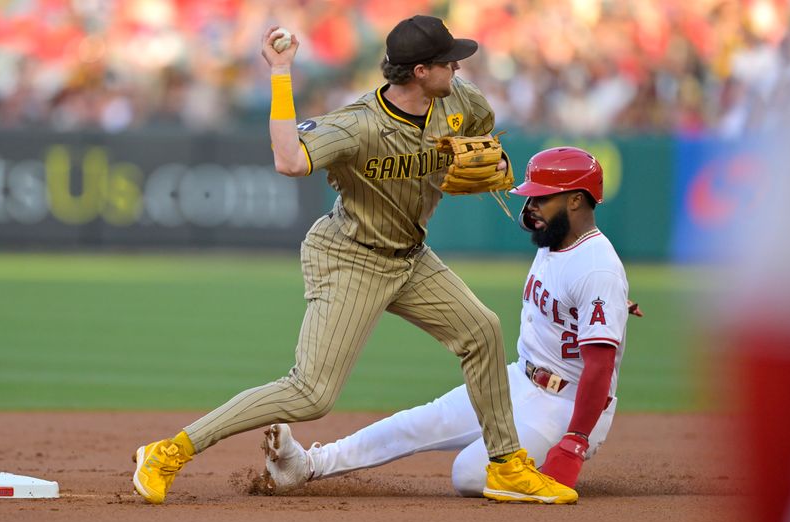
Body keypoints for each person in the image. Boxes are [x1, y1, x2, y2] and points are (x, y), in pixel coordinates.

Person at [132, 15, 576, 505]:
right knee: (311, 394)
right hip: (350, 256)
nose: (458, 65)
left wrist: (497, 164)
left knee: (482, 330)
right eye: (448, 60)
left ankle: (507, 463)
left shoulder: (459, 98)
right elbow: (288, 160)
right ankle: (168, 451)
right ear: (421, 70)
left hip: (410, 256)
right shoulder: (359, 124)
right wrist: (281, 73)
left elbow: (487, 139)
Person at [261, 146, 640, 497]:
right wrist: (609, 304)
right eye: (531, 196)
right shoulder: (559, 244)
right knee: (420, 422)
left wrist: (575, 440)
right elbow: (575, 294)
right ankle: (307, 465)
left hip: (563, 407)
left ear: (576, 200)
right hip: (518, 379)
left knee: (469, 473)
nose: (532, 205)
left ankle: (541, 465)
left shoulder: (597, 267)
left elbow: (600, 365)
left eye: (543, 197)